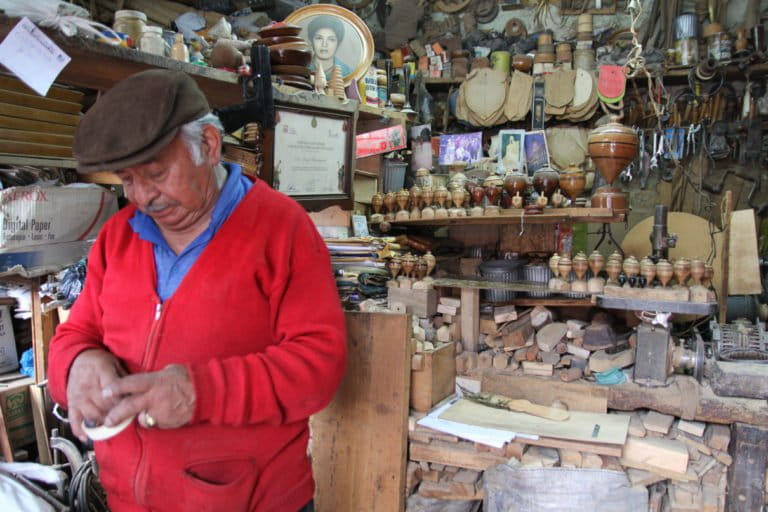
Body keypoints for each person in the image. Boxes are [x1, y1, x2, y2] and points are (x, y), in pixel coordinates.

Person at [47, 69, 347, 512]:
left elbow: (318, 364)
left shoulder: (281, 229)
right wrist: (77, 364)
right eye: (127, 180)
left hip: (252, 501)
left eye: (156, 173)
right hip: (129, 500)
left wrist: (200, 392)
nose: (143, 196)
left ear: (208, 145)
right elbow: (76, 334)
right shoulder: (118, 237)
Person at [307, 15, 352, 81]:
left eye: (331, 39)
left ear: (338, 43)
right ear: (311, 40)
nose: (324, 44)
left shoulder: (348, 73)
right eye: (319, 38)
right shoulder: (301, 68)